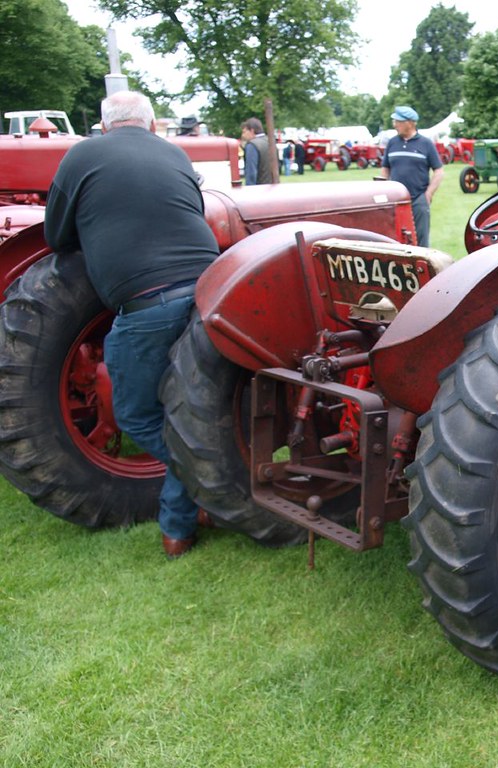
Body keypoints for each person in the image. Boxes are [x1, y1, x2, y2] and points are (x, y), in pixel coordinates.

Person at [44, 90, 220, 557]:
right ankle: (180, 524)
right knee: (191, 409)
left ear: (104, 126)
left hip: (150, 303)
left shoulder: (81, 154)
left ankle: (210, 481)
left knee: (136, 416)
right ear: (152, 126)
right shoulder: (174, 153)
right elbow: (191, 213)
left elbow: (56, 236)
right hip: (213, 294)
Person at [381, 105, 444, 247]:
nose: (395, 125)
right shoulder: (392, 143)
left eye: (398, 121)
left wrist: (428, 194)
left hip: (418, 200)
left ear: (409, 123)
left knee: (421, 241)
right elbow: (385, 169)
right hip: (395, 201)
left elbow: (439, 171)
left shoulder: (426, 144)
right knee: (396, 239)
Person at [240, 117, 274, 185]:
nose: (243, 135)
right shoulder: (271, 142)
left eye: (244, 132)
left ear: (252, 131)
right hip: (272, 187)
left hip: (259, 189)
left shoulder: (252, 145)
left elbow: (251, 172)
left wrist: (249, 189)